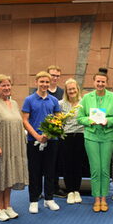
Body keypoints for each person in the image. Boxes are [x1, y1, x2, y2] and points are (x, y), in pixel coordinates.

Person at [0, 74, 29, 222]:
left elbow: (18, 124)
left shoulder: (14, 103)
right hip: (0, 146)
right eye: (3, 85)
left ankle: (8, 206)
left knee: (10, 176)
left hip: (14, 146)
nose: (7, 88)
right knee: (0, 176)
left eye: (8, 85)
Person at [77, 72, 113, 213]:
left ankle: (104, 198)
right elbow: (80, 118)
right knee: (95, 169)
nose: (100, 84)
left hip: (108, 137)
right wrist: (90, 121)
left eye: (103, 82)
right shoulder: (86, 98)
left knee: (104, 169)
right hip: (91, 137)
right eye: (98, 81)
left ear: (107, 83)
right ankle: (96, 198)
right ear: (94, 82)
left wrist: (108, 121)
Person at [22, 71, 61, 214]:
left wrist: (50, 134)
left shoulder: (54, 101)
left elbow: (58, 119)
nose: (44, 84)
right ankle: (33, 200)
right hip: (34, 141)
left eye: (46, 82)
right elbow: (25, 120)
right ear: (36, 82)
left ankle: (49, 199)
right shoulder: (29, 100)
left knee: (50, 170)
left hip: (52, 141)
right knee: (35, 171)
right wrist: (37, 136)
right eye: (42, 82)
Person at [59, 78, 85, 205]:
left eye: (74, 88)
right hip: (66, 137)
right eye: (69, 89)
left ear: (77, 89)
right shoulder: (61, 104)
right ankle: (70, 191)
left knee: (78, 164)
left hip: (81, 135)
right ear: (66, 91)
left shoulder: (84, 102)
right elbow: (59, 121)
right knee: (67, 165)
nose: (72, 91)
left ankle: (77, 190)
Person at [47, 65, 66, 198]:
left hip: (57, 133)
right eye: (52, 75)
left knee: (56, 161)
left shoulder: (62, 92)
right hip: (43, 132)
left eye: (57, 76)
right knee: (44, 163)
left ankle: (55, 187)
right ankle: (45, 189)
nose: (55, 78)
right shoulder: (41, 90)